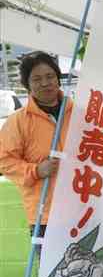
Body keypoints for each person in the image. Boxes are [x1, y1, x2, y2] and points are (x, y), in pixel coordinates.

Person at [0, 51, 71, 243]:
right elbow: (4, 162)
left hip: (85, 205)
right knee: (53, 272)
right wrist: (36, 170)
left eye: (50, 76)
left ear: (58, 78)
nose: (46, 83)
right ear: (27, 85)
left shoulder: (80, 113)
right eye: (37, 79)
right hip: (46, 213)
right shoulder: (18, 121)